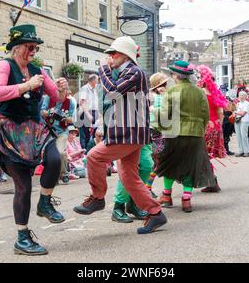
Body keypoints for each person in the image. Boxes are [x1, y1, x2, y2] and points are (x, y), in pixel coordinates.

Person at [73, 36, 167, 235]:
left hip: (128, 134)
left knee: (93, 156)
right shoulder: (126, 73)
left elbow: (112, 92)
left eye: (113, 53)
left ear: (125, 55)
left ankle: (98, 198)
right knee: (128, 177)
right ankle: (155, 212)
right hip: (127, 133)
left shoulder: (135, 72)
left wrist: (103, 70)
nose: (110, 57)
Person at [0, 24, 68, 255]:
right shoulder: (5, 65)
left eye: (35, 47)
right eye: (30, 46)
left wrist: (63, 90)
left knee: (56, 158)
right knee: (23, 186)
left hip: (36, 129)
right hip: (11, 130)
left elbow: (56, 99)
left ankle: (45, 202)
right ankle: (22, 238)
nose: (34, 51)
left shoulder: (38, 69)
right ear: (16, 47)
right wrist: (26, 85)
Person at [156, 60, 215, 212]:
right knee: (191, 165)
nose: (172, 76)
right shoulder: (199, 92)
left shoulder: (172, 91)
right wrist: (200, 130)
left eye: (173, 74)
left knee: (169, 164)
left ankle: (166, 196)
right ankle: (186, 199)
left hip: (174, 133)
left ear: (176, 75)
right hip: (195, 135)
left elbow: (164, 115)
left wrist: (154, 116)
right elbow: (205, 115)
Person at [196, 65, 228, 193]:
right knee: (207, 155)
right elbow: (221, 112)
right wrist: (219, 125)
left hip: (205, 126)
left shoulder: (201, 93)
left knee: (203, 155)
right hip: (215, 126)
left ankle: (212, 182)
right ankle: (212, 182)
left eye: (199, 78)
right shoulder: (216, 93)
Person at [40, 89, 76, 183]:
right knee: (49, 153)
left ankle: (63, 174)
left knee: (61, 152)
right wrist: (49, 112)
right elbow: (42, 112)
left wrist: (63, 117)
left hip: (62, 131)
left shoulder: (70, 102)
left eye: (62, 91)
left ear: (66, 92)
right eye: (58, 91)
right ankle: (51, 174)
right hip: (48, 130)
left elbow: (72, 119)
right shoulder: (48, 98)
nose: (60, 94)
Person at [77, 74, 100, 150]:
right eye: (97, 80)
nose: (98, 82)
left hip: (94, 113)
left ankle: (91, 151)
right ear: (93, 80)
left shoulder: (95, 90)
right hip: (85, 113)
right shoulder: (85, 88)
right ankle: (84, 153)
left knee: (93, 134)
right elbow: (82, 102)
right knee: (85, 136)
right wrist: (88, 115)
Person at [234, 91, 249, 157]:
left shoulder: (247, 103)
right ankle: (241, 151)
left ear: (245, 96)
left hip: (244, 121)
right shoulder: (238, 104)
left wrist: (236, 112)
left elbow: (243, 113)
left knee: (244, 136)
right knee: (238, 136)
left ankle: (246, 151)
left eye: (242, 95)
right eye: (240, 95)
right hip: (237, 120)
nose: (241, 96)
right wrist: (235, 113)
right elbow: (237, 112)